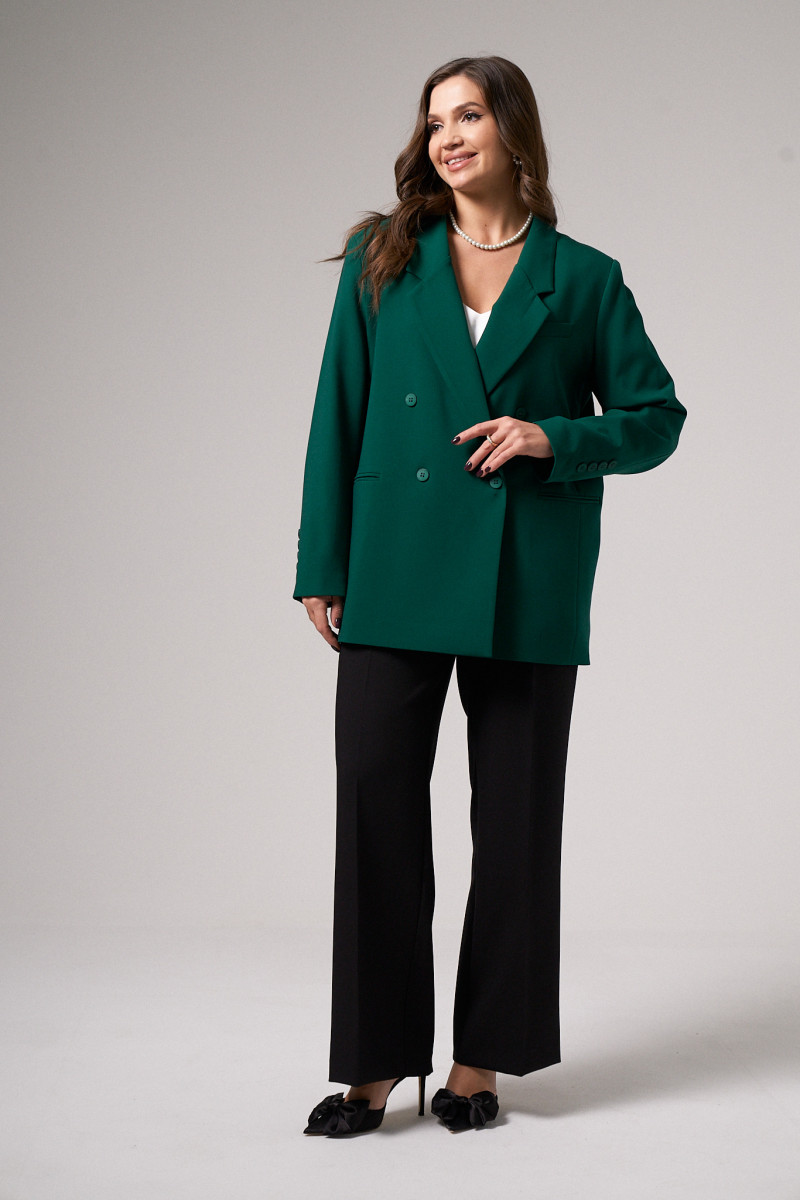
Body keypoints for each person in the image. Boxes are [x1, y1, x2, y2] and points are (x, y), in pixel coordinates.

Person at [294, 55, 687, 1137]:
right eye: (435, 122)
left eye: (468, 115)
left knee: (514, 823)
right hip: (394, 564)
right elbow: (336, 410)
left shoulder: (584, 277)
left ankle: (479, 1063)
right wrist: (322, 561)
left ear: (514, 131)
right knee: (375, 806)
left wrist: (552, 437)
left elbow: (656, 417)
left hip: (526, 577)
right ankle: (375, 1062)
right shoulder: (385, 258)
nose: (448, 137)